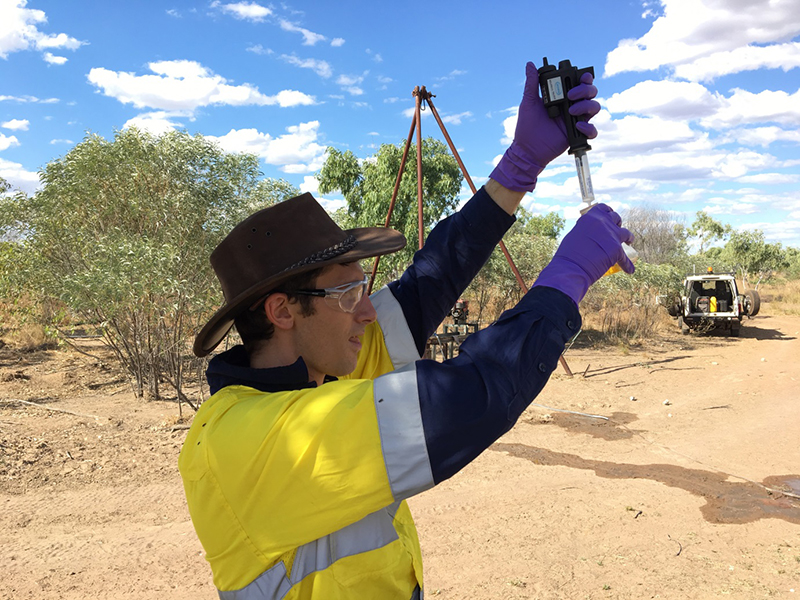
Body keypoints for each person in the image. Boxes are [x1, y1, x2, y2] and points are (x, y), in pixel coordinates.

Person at [179, 62, 634, 600]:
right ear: (282, 311)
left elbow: (427, 285)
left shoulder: (319, 371)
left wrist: (521, 165)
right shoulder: (246, 440)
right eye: (348, 294)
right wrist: (568, 278)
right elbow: (470, 398)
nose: (367, 312)